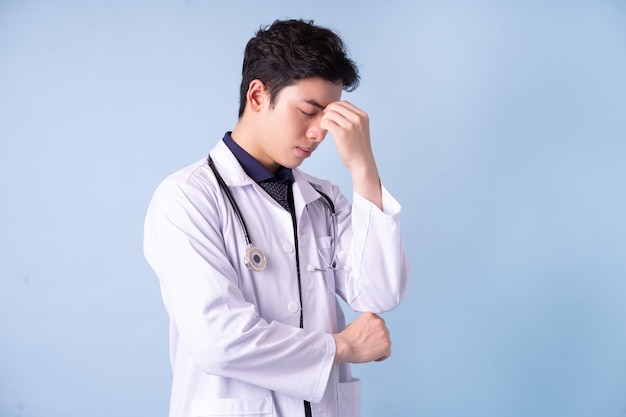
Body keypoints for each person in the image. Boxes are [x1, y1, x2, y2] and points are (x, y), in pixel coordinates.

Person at [143, 19, 410, 417]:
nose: (320, 132)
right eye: (308, 110)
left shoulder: (324, 199)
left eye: (331, 116)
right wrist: (344, 347)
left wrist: (363, 168)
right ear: (256, 95)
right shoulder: (186, 198)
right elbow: (220, 341)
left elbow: (379, 293)